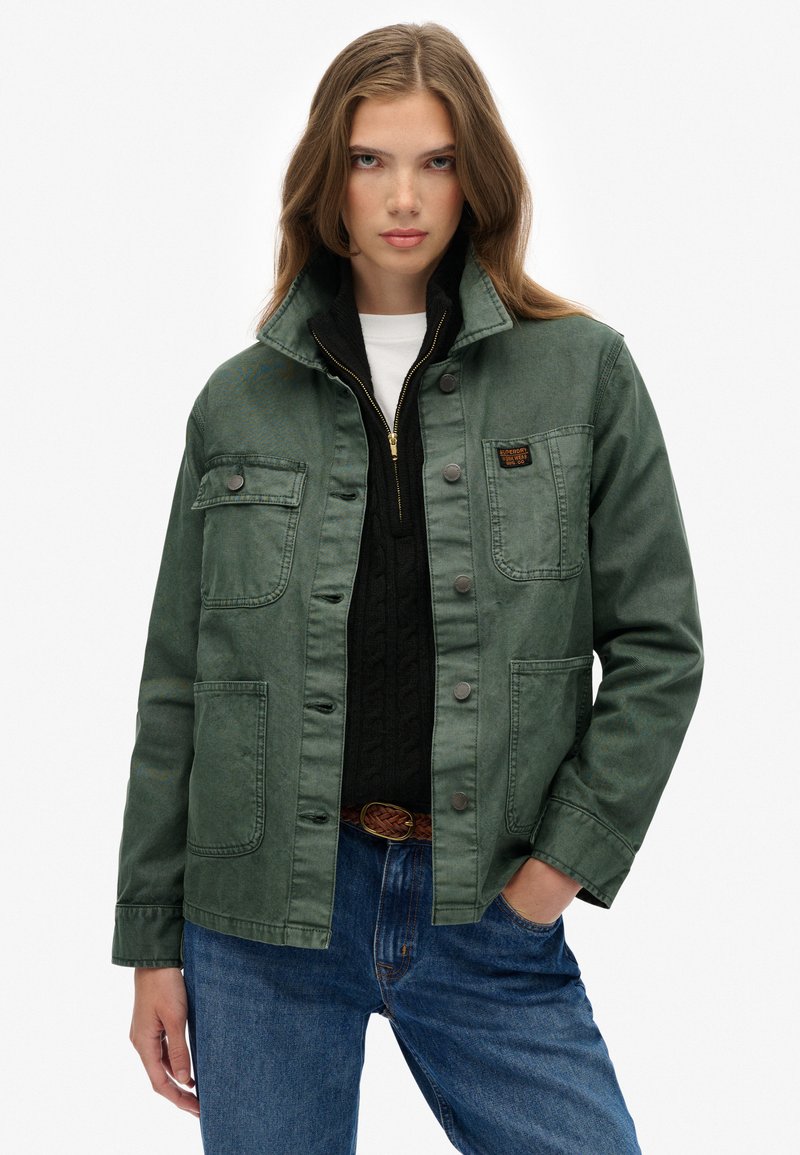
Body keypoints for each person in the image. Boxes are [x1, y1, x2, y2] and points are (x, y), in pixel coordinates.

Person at [112, 21, 704, 1154]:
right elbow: (179, 685)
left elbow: (659, 648)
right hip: (261, 921)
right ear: (325, 179)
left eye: (435, 161)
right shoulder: (238, 401)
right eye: (369, 160)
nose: (402, 196)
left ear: (475, 176)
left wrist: (552, 876)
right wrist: (151, 943)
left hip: (485, 906)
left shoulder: (581, 371)